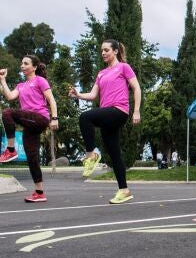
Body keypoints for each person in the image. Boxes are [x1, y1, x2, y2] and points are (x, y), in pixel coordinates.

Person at [68, 39, 141, 204]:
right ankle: (124, 190)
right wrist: (78, 95)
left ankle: (91, 155)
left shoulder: (124, 67)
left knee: (85, 117)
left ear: (115, 51)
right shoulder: (101, 73)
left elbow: (136, 88)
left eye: (106, 50)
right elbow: (93, 95)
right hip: (108, 115)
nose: (103, 53)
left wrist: (136, 110)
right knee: (115, 154)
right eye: (101, 50)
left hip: (119, 111)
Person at [0, 55, 59, 202]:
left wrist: (54, 118)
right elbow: (9, 96)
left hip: (40, 118)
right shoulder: (21, 85)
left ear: (34, 67)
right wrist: (2, 80)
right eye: (22, 63)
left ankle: (11, 150)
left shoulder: (40, 80)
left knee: (7, 113)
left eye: (26, 63)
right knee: (32, 157)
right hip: (29, 123)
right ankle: (39, 192)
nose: (22, 65)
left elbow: (51, 99)